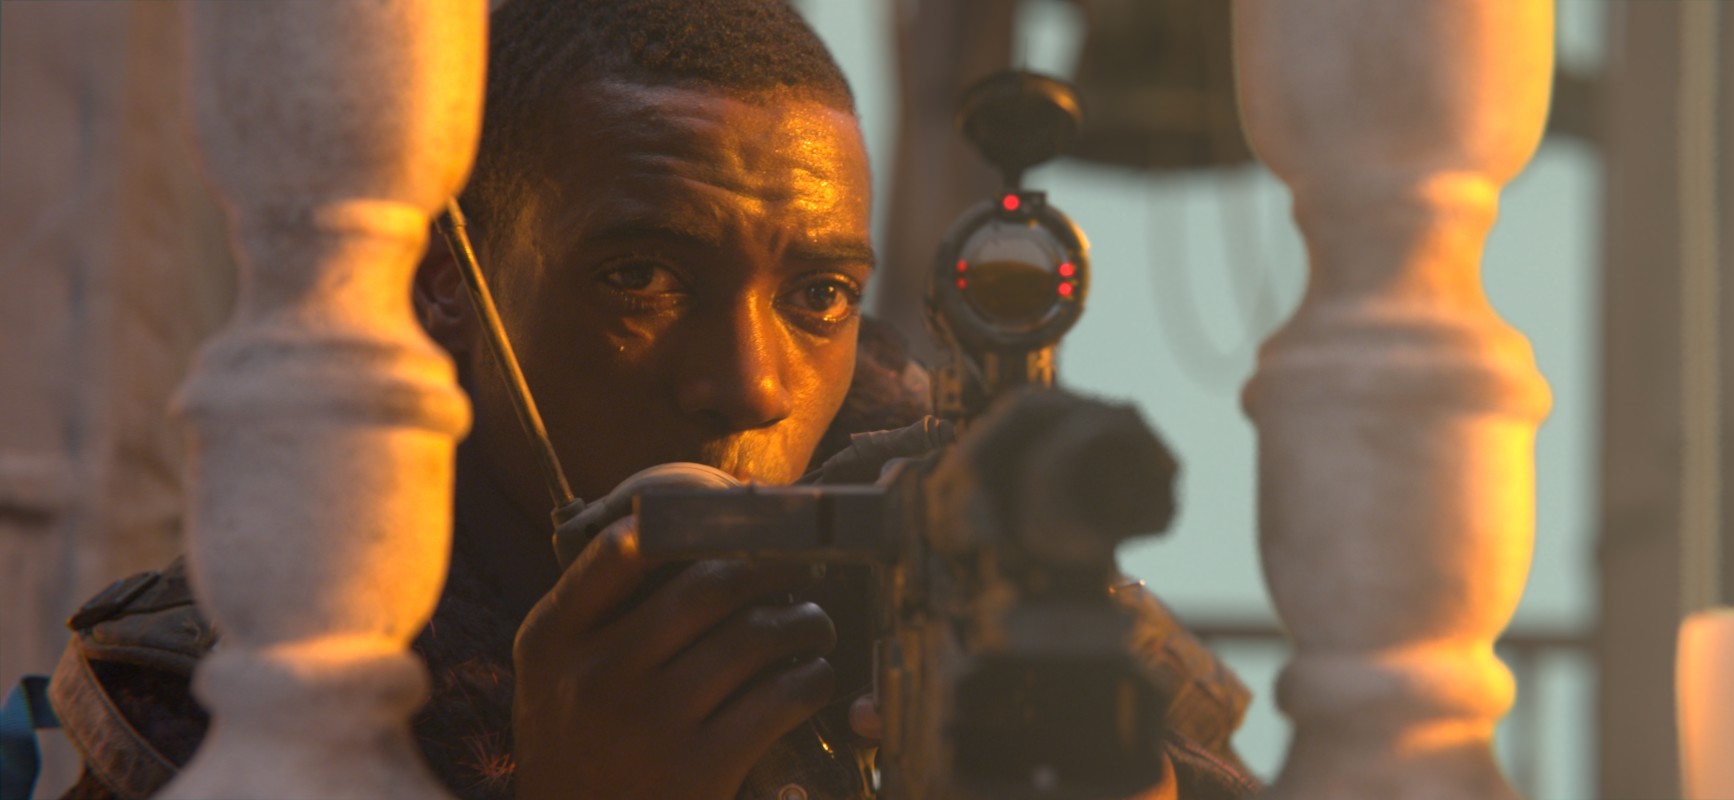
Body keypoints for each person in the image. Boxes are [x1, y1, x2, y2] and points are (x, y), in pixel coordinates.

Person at [47, 1, 1257, 798]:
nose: (748, 384)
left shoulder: (975, 559)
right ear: (450, 283)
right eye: (640, 278)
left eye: (820, 295)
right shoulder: (242, 677)